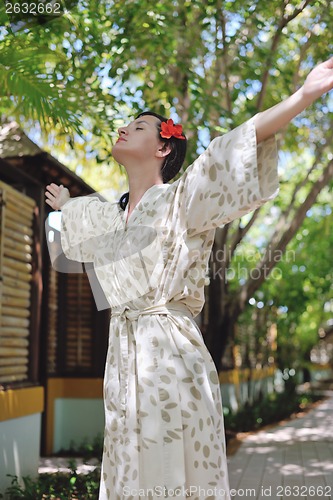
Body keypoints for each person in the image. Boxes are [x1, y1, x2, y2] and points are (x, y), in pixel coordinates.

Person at [45, 57, 333, 500]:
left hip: (169, 351)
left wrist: (303, 96)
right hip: (124, 358)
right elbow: (82, 224)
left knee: (171, 467)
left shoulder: (182, 199)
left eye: (139, 126)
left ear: (164, 148)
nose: (125, 127)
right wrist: (65, 204)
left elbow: (232, 149)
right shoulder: (111, 216)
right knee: (127, 469)